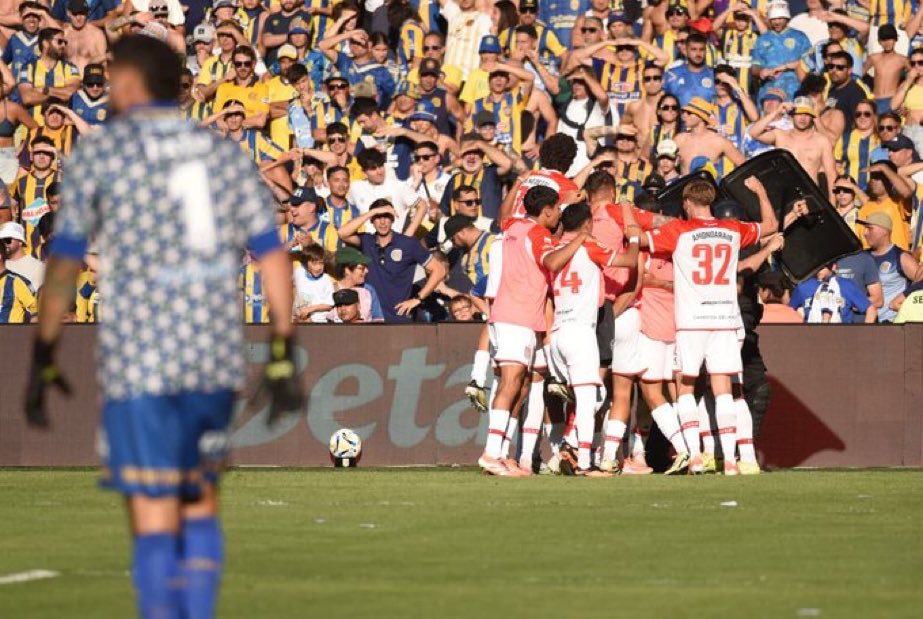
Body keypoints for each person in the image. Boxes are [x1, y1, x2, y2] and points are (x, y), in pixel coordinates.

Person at [23, 35, 302, 619]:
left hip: (140, 356)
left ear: (129, 84)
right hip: (211, 355)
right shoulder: (223, 153)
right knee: (198, 501)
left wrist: (44, 347)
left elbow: (66, 258)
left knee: (152, 508)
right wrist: (281, 344)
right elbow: (272, 253)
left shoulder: (103, 154)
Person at [646, 177, 778, 475]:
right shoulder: (731, 229)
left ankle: (694, 456)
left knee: (686, 387)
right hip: (723, 321)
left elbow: (641, 240)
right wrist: (761, 191)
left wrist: (630, 218)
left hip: (691, 322)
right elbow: (770, 225)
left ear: (687, 203)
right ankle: (730, 461)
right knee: (725, 389)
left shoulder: (678, 230)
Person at [479, 185, 592, 477]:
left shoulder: (514, 226)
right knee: (510, 383)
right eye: (556, 210)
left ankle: (502, 455)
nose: (559, 216)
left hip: (518, 316)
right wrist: (580, 238)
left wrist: (561, 204)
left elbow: (509, 219)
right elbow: (552, 261)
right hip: (516, 316)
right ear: (546, 211)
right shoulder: (537, 233)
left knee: (521, 387)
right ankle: (491, 454)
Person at [549, 201, 640, 477]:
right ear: (588, 224)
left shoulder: (555, 248)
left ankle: (569, 449)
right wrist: (634, 238)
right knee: (588, 399)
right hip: (580, 331)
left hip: (557, 331)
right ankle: (584, 462)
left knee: (586, 396)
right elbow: (629, 261)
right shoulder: (589, 246)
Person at [337, 199, 447, 322]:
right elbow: (342, 233)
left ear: (393, 219)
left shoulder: (408, 244)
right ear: (372, 220)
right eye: (378, 217)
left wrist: (418, 298)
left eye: (387, 216)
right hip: (370, 319)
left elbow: (439, 270)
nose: (383, 222)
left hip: (398, 319)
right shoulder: (366, 241)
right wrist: (372, 212)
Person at [748, 96, 837, 199]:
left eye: (807, 114)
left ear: (812, 117)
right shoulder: (780, 136)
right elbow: (753, 132)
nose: (803, 118)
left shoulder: (821, 141)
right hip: (783, 194)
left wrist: (833, 203)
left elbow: (831, 174)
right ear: (792, 115)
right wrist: (777, 112)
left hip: (809, 194)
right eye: (799, 113)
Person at [860, 211, 921, 322]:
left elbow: (920, 284)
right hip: (865, 323)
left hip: (891, 324)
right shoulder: (862, 257)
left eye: (870, 228)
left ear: (884, 231)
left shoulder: (900, 257)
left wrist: (907, 309)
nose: (864, 233)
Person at [789, 262, 877, 323]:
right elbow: (789, 312)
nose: (818, 269)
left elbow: (871, 310)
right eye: (816, 266)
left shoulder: (846, 285)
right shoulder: (803, 287)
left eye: (823, 266)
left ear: (834, 266)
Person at [863, 24, 909, 115]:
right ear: (879, 41)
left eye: (890, 39)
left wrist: (904, 99)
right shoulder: (874, 58)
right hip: (875, 100)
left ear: (895, 39)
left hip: (892, 100)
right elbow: (858, 75)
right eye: (884, 40)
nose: (887, 43)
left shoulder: (902, 60)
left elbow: (913, 77)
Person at [331, 245, 384, 322]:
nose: (366, 271)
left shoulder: (368, 290)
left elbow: (378, 320)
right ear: (347, 270)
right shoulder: (329, 290)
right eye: (361, 268)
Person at [292, 244, 335, 323]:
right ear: (305, 263)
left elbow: (329, 305)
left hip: (319, 321)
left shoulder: (326, 280)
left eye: (321, 263)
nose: (318, 267)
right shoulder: (299, 272)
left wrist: (311, 309)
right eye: (314, 263)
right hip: (299, 320)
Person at [0, 221, 44, 289]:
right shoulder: (1, 265)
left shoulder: (38, 267)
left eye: (7, 240)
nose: (3, 243)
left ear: (20, 242)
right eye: (1, 241)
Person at [69, 62, 109, 126]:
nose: (95, 88)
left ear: (104, 84)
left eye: (99, 84)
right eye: (90, 84)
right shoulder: (75, 98)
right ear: (84, 84)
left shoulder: (112, 102)